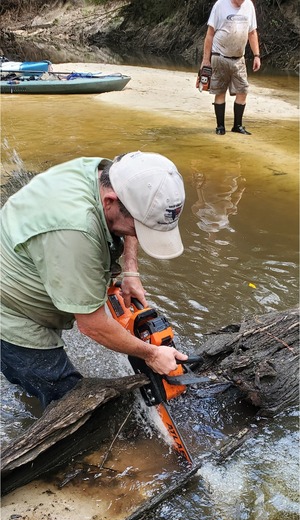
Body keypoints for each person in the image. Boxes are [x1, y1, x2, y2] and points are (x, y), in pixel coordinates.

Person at [1, 151, 188, 409]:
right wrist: (152, 353)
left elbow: (135, 216)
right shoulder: (75, 232)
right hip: (11, 312)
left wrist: (130, 270)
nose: (139, 235)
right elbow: (91, 325)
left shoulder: (114, 175)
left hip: (40, 253)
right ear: (111, 201)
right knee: (68, 399)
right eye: (140, 229)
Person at [196, 0, 261, 135]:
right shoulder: (220, 5)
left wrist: (256, 55)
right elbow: (210, 34)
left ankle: (237, 125)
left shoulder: (248, 5)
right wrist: (206, 60)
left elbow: (252, 32)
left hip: (239, 58)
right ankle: (220, 127)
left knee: (243, 91)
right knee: (220, 92)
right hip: (219, 56)